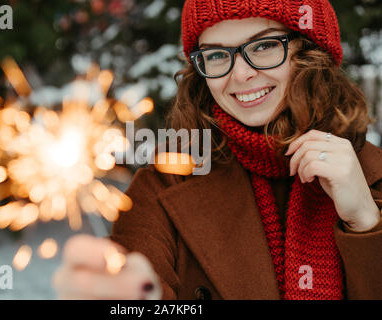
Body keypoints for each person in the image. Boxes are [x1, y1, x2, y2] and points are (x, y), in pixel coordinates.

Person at [52, 0, 382, 300]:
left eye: (265, 45)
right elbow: (136, 287)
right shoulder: (164, 185)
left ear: (311, 51)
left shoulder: (372, 175)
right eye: (216, 55)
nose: (240, 74)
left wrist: (366, 222)